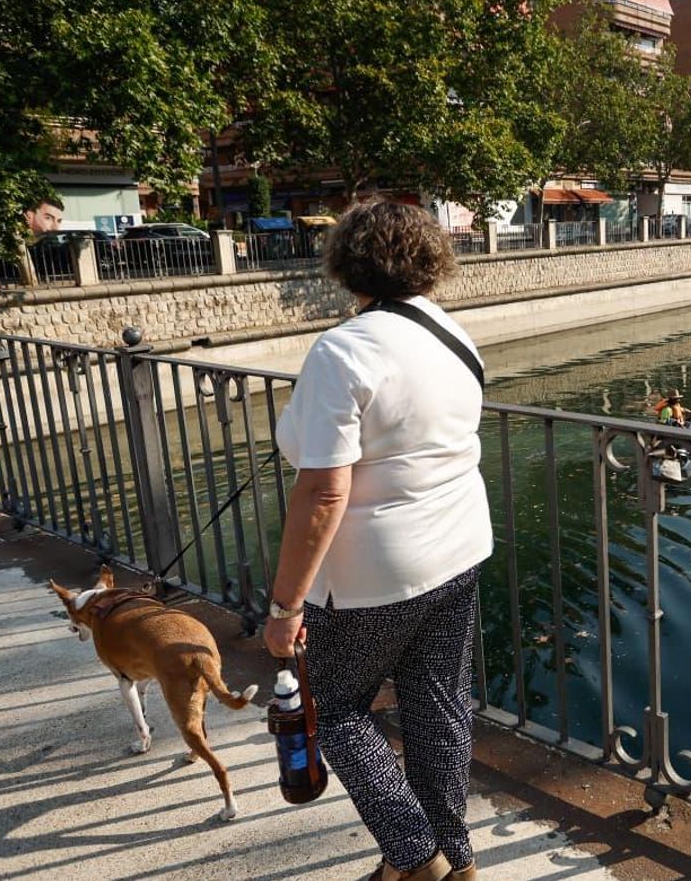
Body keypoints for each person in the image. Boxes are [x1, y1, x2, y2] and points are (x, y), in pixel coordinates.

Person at [264, 200, 489, 881]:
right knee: (438, 712)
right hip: (457, 551)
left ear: (348, 264)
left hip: (374, 574)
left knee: (334, 711)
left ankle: (417, 862)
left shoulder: (345, 348)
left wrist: (284, 609)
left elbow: (324, 493)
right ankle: (457, 857)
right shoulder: (454, 334)